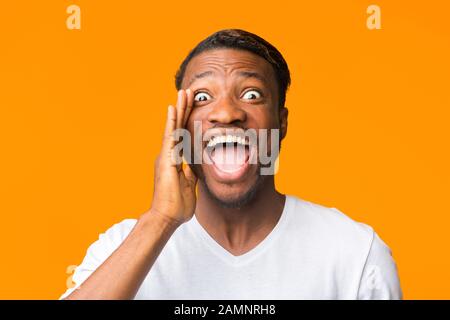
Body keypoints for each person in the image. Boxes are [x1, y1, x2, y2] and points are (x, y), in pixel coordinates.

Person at [60, 29, 402, 300]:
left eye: (251, 94)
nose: (226, 113)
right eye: (202, 98)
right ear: (180, 125)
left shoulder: (355, 253)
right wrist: (160, 221)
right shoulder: (122, 249)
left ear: (281, 123)